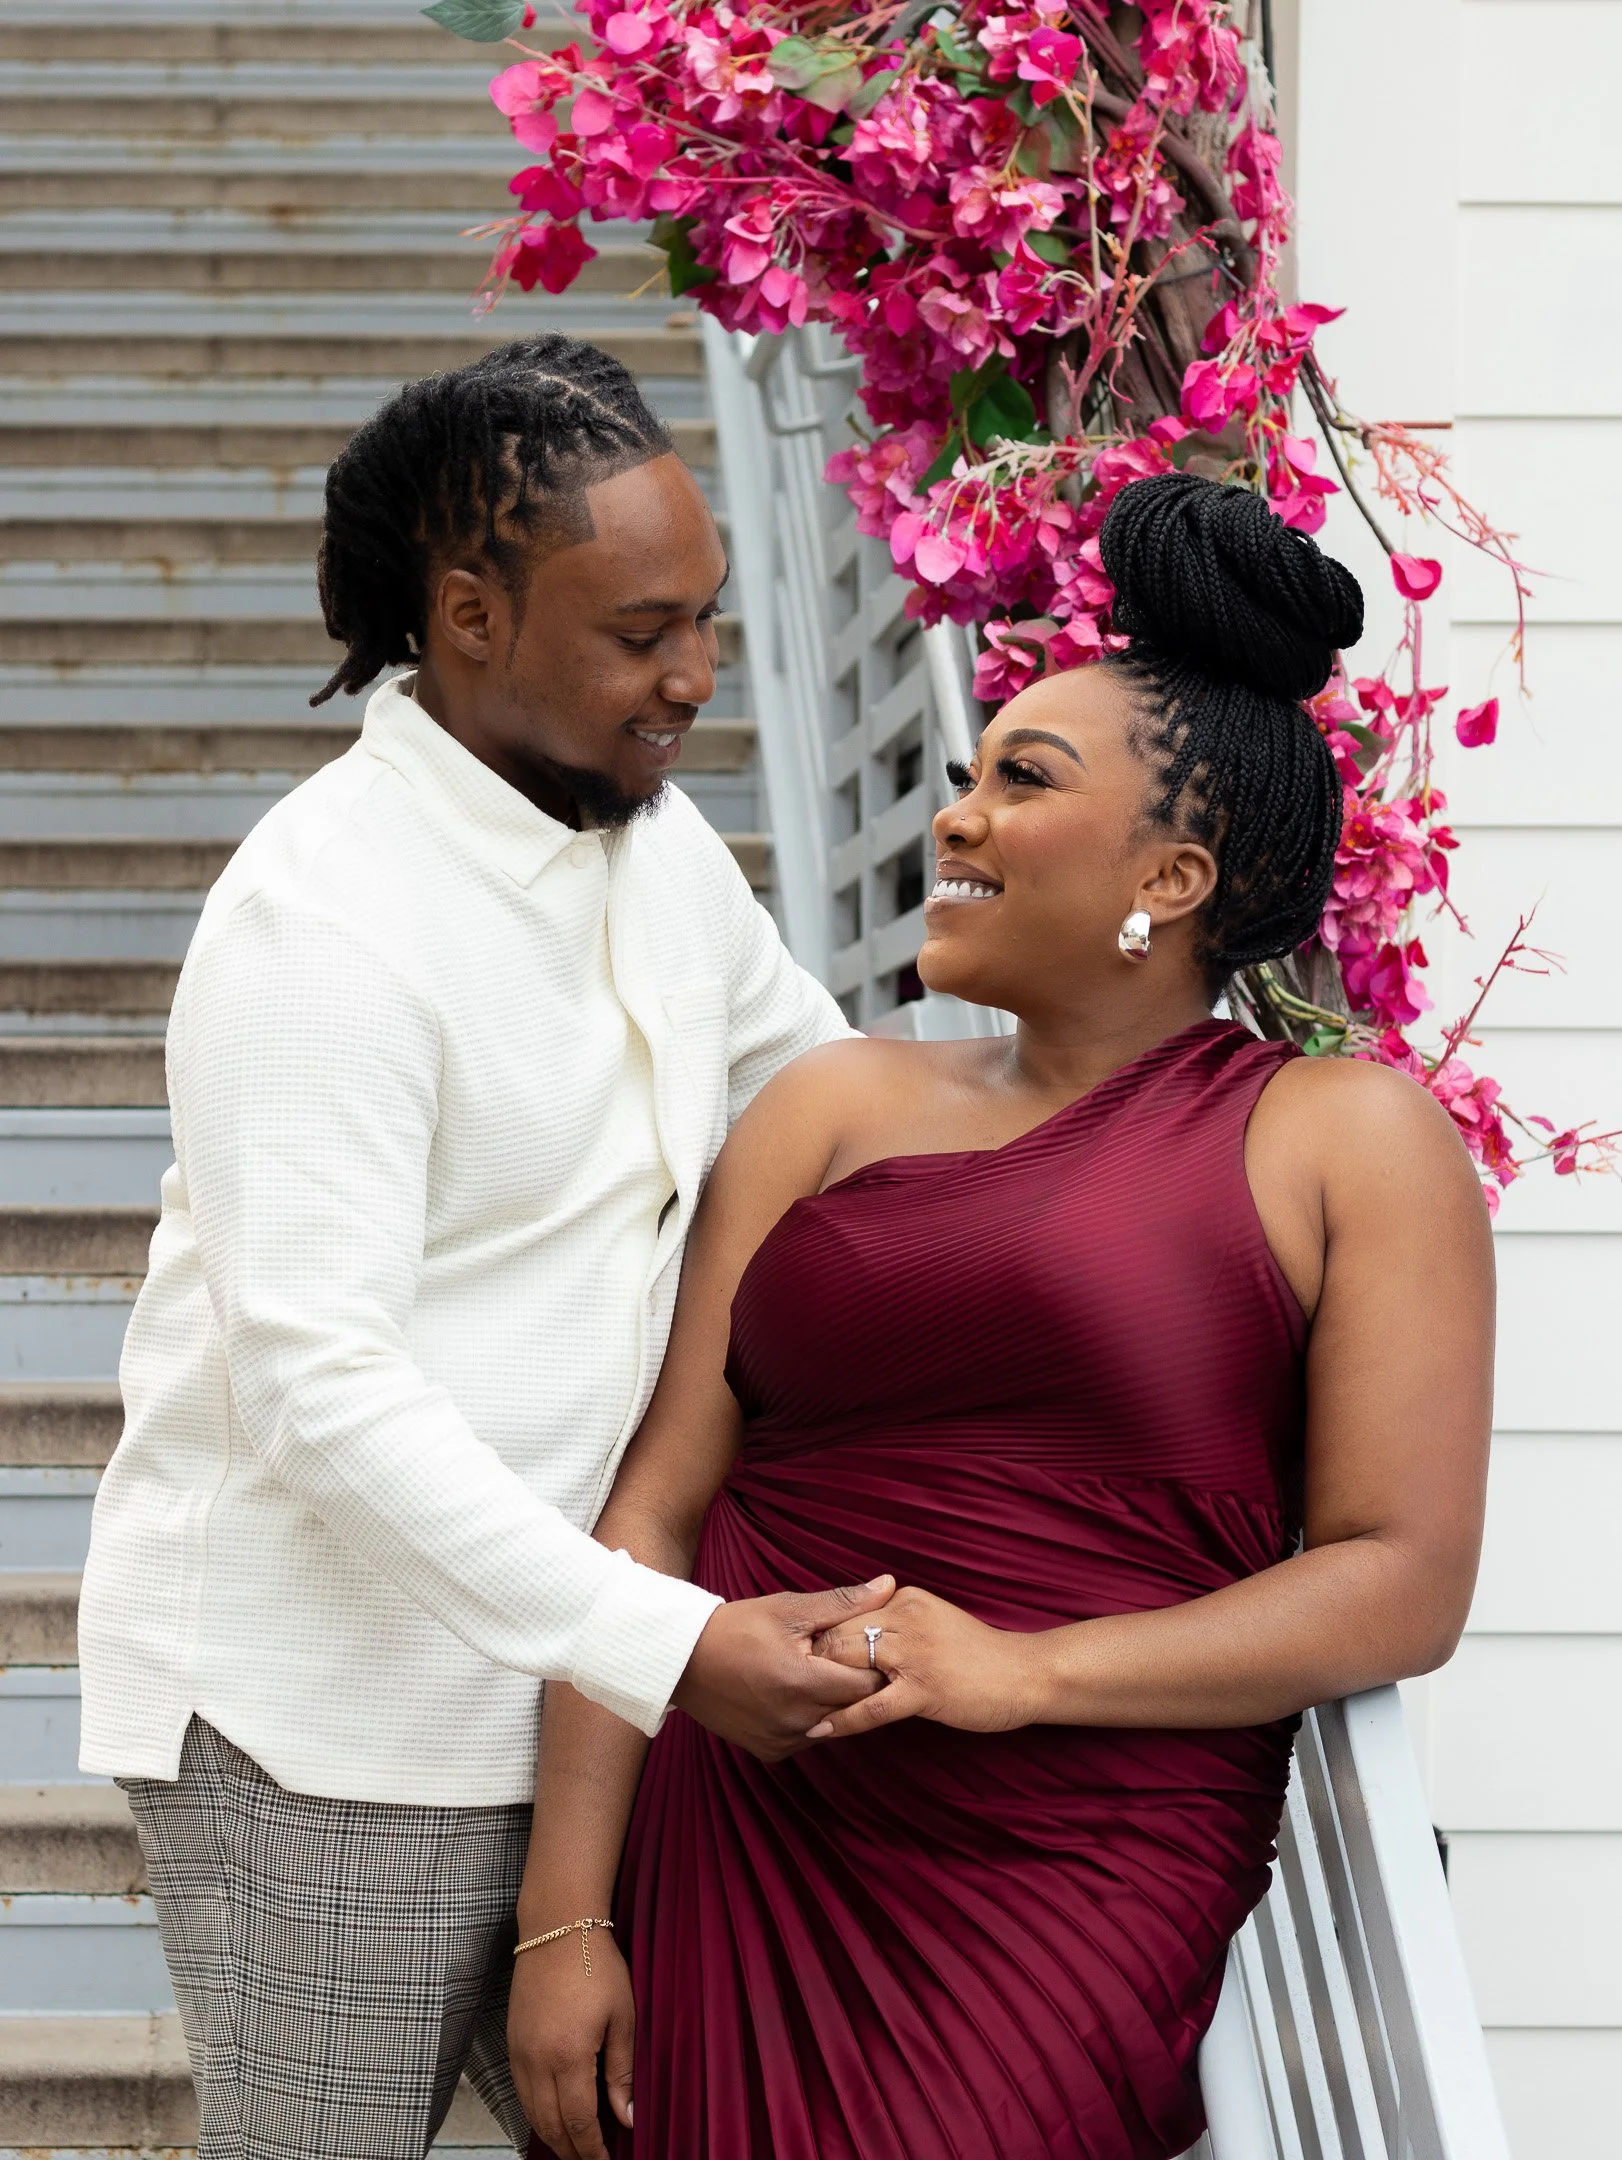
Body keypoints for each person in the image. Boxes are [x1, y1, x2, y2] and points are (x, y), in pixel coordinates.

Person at [506, 472, 1496, 2160]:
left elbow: (1397, 1578)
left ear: (1169, 876)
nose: (955, 818)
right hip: (739, 1804)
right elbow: (653, 1515)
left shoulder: (1347, 1137)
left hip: (1077, 1843)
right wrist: (562, 1918)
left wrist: (1025, 1673)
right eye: (966, 775)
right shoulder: (827, 1103)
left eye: (1018, 782)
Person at [75, 335, 892, 2160]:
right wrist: (672, 1644)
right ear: (465, 617)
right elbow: (321, 1392)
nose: (692, 677)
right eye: (637, 633)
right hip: (327, 1735)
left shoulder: (655, 842)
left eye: (708, 621)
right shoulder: (324, 926)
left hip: (594, 1704)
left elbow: (825, 1096)